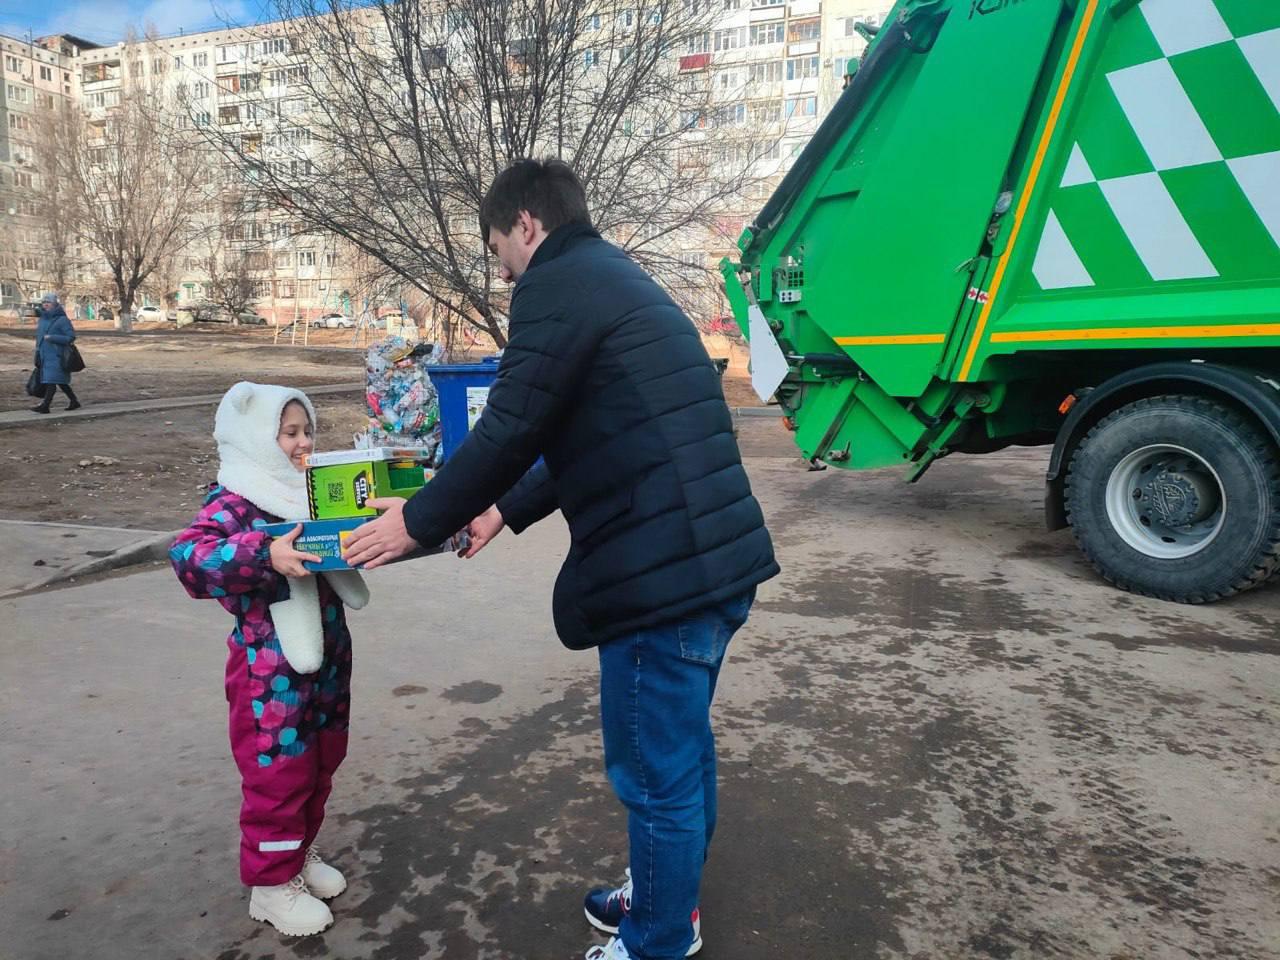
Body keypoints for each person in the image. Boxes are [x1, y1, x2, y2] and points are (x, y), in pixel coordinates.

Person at [343, 159, 779, 960]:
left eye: (496, 249)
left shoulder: (555, 285)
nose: (500, 269)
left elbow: (509, 426)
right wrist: (501, 510)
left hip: (664, 575)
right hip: (712, 562)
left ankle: (656, 941)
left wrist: (418, 520)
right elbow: (574, 427)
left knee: (654, 775)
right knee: (680, 754)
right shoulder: (615, 279)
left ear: (526, 226)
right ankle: (663, 901)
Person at [170, 382, 371, 937]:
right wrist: (265, 552)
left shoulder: (307, 493)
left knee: (322, 763)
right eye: (289, 433)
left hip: (326, 663)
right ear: (255, 438)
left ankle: (297, 856)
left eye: (307, 431)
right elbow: (189, 557)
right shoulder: (234, 501)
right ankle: (270, 885)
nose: (302, 443)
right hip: (269, 676)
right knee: (278, 778)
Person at [30, 293, 80, 414]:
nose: (45, 305)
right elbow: (39, 338)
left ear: (55, 304)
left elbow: (70, 337)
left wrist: (53, 337)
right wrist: (37, 352)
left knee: (50, 380)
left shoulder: (62, 320)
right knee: (58, 380)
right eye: (44, 302)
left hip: (58, 355)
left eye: (48, 302)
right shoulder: (43, 319)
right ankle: (74, 401)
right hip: (44, 355)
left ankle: (45, 406)